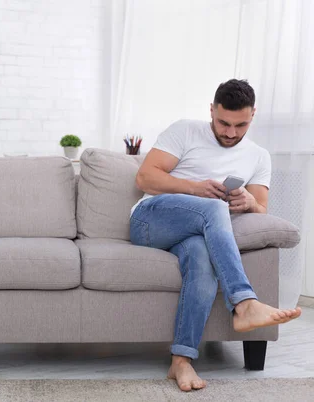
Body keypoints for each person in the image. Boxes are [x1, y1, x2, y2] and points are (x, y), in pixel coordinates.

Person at [130, 79, 302, 392]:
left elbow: (261, 207)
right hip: (152, 221)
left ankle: (181, 361)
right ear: (211, 110)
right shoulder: (184, 131)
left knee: (202, 264)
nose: (230, 132)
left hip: (196, 233)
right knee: (213, 206)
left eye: (241, 125)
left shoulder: (259, 156)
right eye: (223, 122)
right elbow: (145, 177)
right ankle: (244, 303)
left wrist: (249, 202)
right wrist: (196, 188)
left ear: (253, 116)